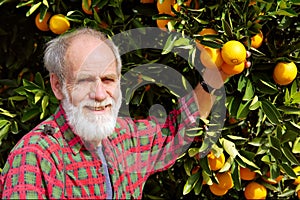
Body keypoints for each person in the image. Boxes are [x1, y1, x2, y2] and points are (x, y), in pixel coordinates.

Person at [0, 27, 250, 199]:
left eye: (108, 79)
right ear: (58, 85)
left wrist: (218, 75)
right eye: (85, 81)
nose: (99, 94)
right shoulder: (35, 157)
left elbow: (178, 128)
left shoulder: (124, 137)